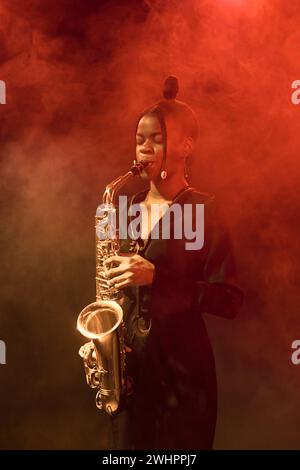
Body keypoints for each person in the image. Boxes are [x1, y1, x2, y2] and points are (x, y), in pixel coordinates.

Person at [103, 76, 244, 450]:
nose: (144, 149)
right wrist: (103, 346)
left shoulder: (205, 210)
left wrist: (157, 279)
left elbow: (229, 300)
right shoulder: (125, 208)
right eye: (140, 139)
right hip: (132, 377)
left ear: (186, 146)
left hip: (184, 381)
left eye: (156, 139)